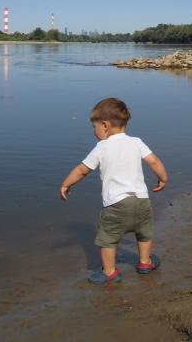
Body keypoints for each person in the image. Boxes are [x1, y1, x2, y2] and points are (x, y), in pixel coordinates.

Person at [60, 97, 169, 284]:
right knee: (144, 232)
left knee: (108, 238)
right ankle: (145, 263)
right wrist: (163, 178)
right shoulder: (136, 142)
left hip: (116, 204)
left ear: (105, 125)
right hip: (142, 200)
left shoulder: (101, 147)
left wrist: (66, 184)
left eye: (94, 127)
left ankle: (109, 272)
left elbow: (82, 170)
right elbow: (154, 161)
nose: (94, 131)